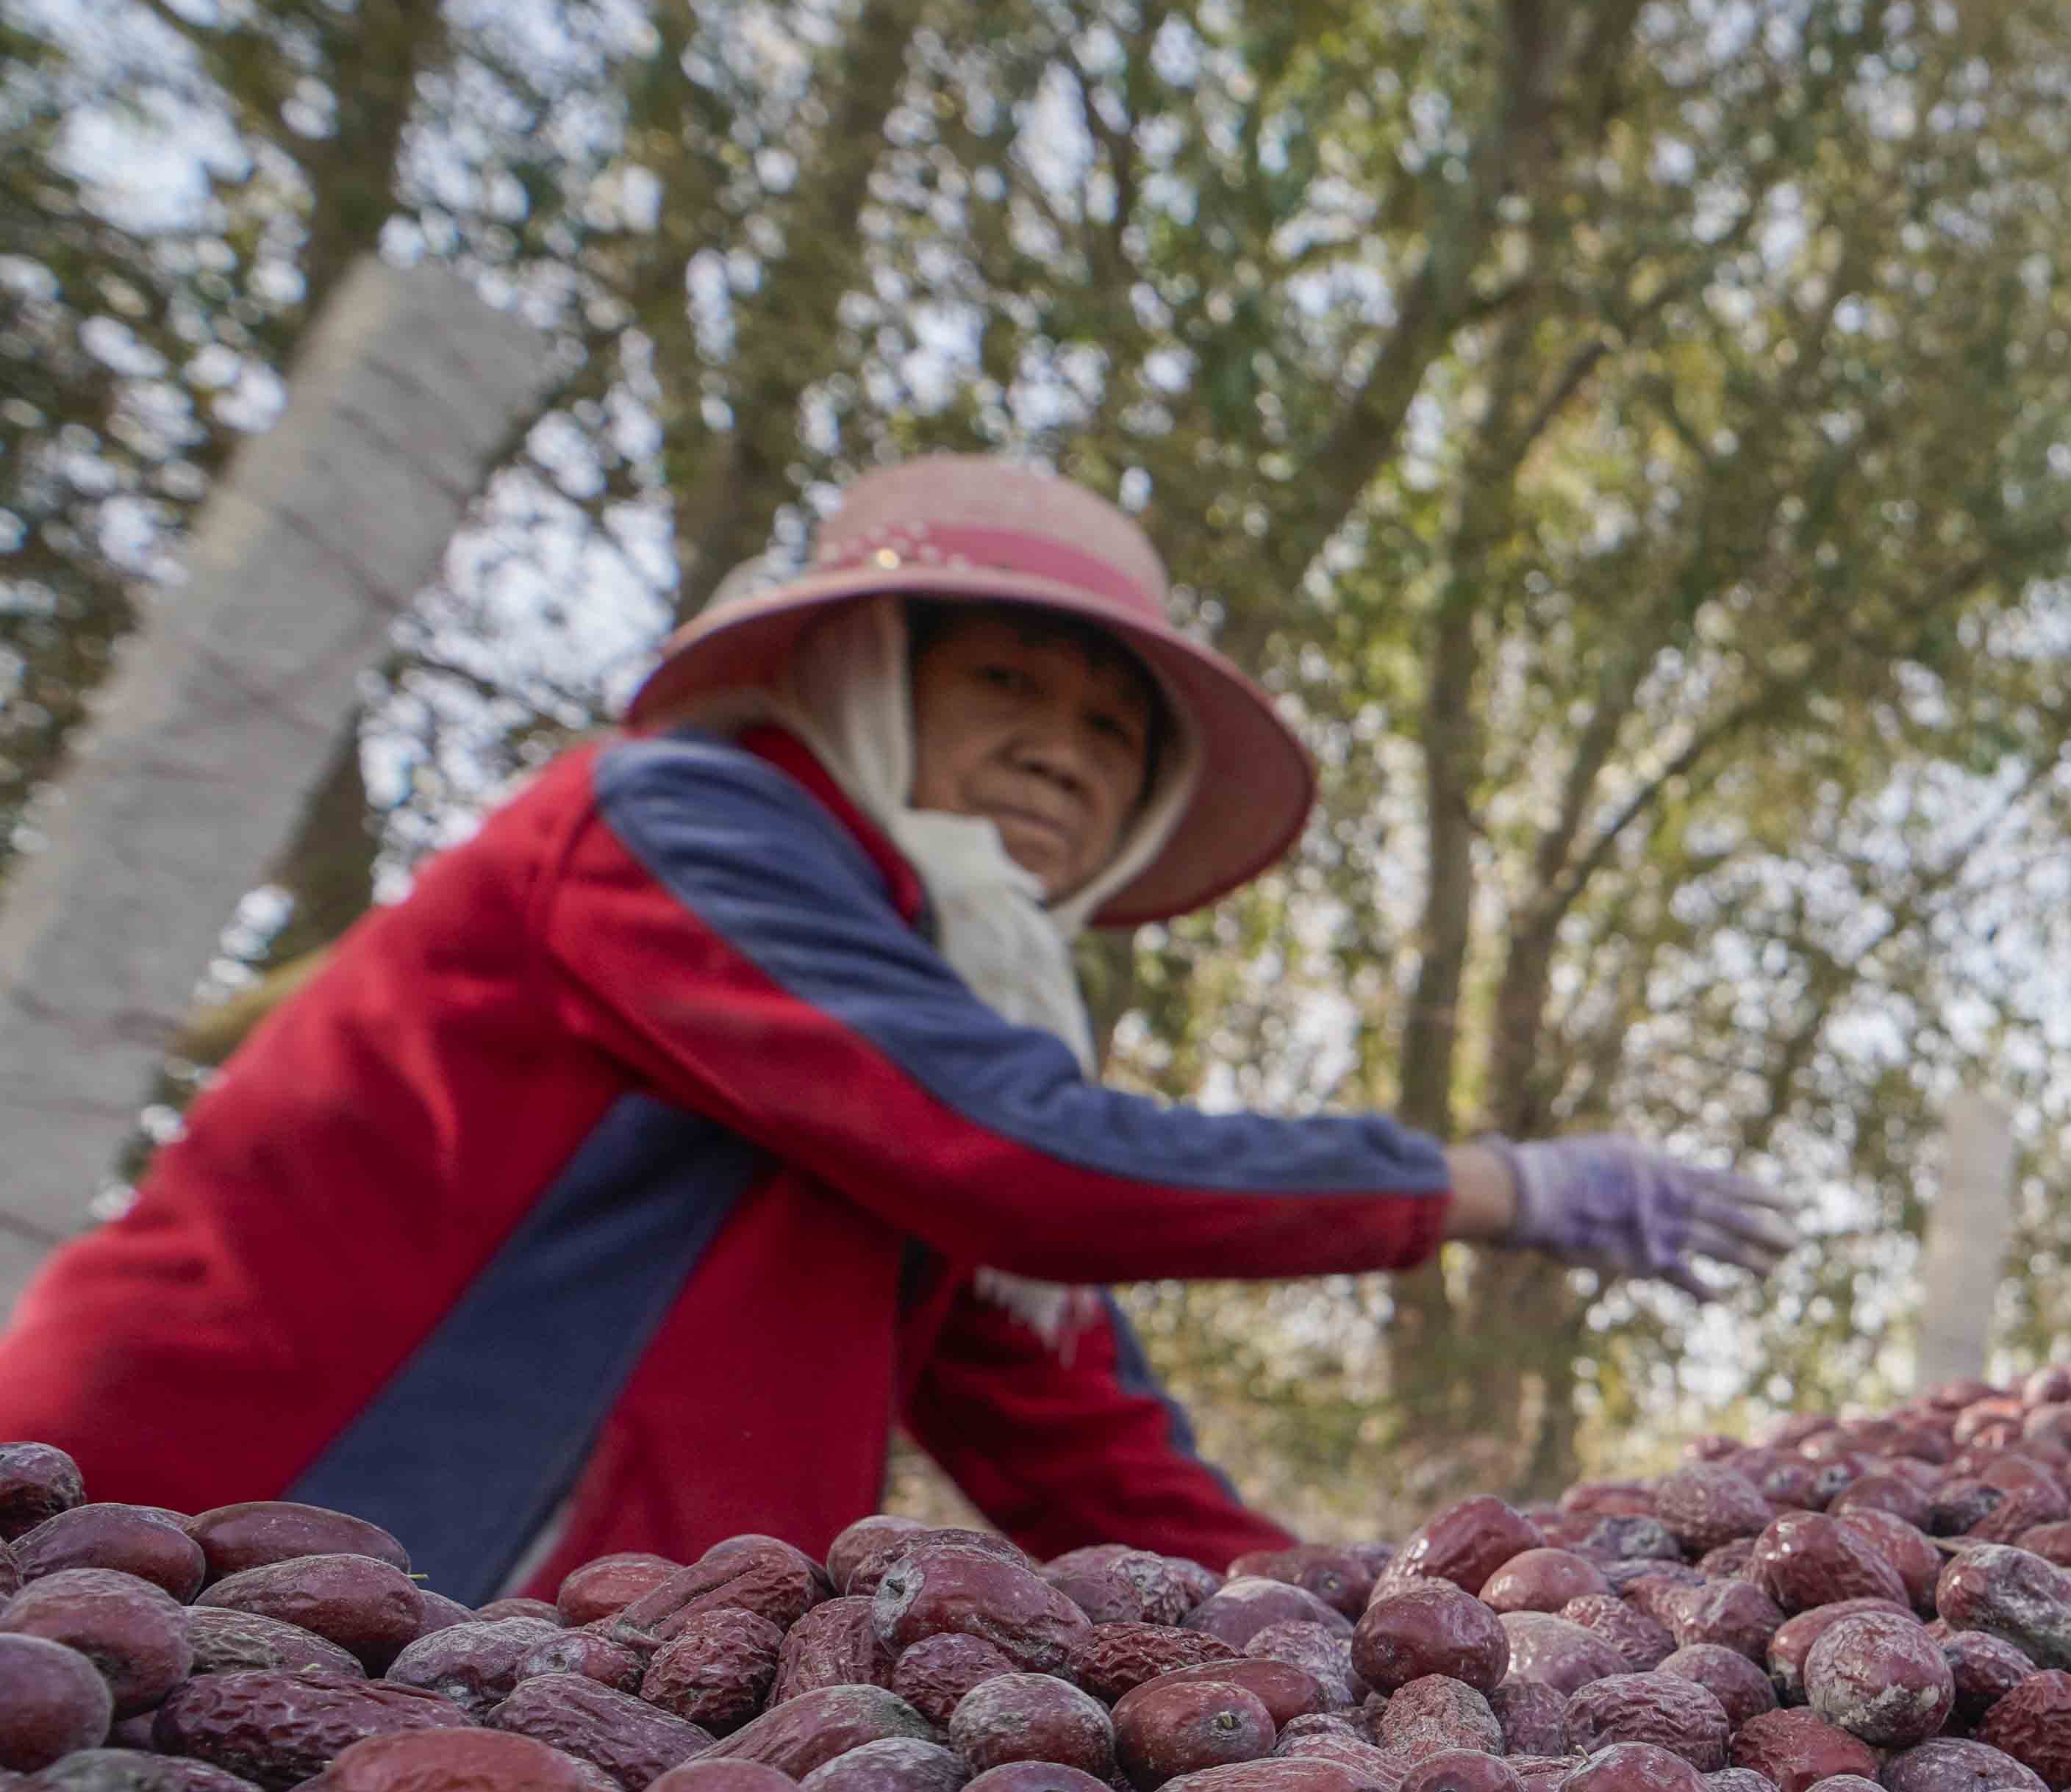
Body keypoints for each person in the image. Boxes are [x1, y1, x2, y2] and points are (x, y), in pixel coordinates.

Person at [0, 458, 1789, 1589]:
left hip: (561, 1665)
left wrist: (1391, 1626)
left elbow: (1072, 1434)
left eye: (1111, 733)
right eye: (1004, 681)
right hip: (203, 1550)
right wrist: (1481, 1182)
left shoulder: (947, 1009)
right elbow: (1009, 1153)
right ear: (860, 681)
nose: (1057, 752)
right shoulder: (681, 830)